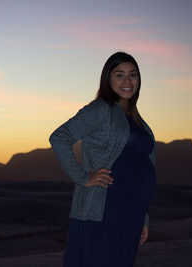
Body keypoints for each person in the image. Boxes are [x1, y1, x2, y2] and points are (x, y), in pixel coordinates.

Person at [49, 51, 156, 267]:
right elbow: (59, 137)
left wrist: (143, 218)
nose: (127, 81)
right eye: (119, 74)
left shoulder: (137, 118)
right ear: (108, 78)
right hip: (105, 206)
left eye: (133, 75)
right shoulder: (101, 109)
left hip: (131, 211)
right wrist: (82, 176)